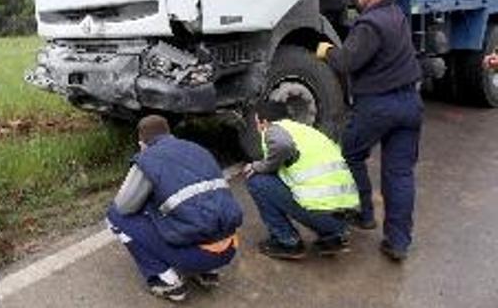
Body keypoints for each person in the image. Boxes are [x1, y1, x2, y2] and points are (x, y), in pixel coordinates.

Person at [316, 0, 423, 261]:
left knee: (350, 153)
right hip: (410, 104)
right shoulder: (397, 14)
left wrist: (327, 52)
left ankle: (363, 213)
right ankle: (398, 243)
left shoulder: (369, 25)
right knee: (400, 173)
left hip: (378, 106)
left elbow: (347, 62)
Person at [106, 115, 242, 302]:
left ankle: (167, 281)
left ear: (142, 143)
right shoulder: (197, 149)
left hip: (198, 255)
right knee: (194, 206)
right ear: (170, 134)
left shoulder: (148, 158)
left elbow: (124, 206)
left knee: (115, 215)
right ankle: (207, 272)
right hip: (230, 246)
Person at [243, 100, 359, 260]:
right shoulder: (305, 131)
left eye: (256, 122)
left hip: (322, 213)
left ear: (263, 121)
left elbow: (282, 146)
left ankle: (287, 242)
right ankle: (333, 238)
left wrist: (260, 166)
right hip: (343, 216)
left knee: (257, 181)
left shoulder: (274, 129)